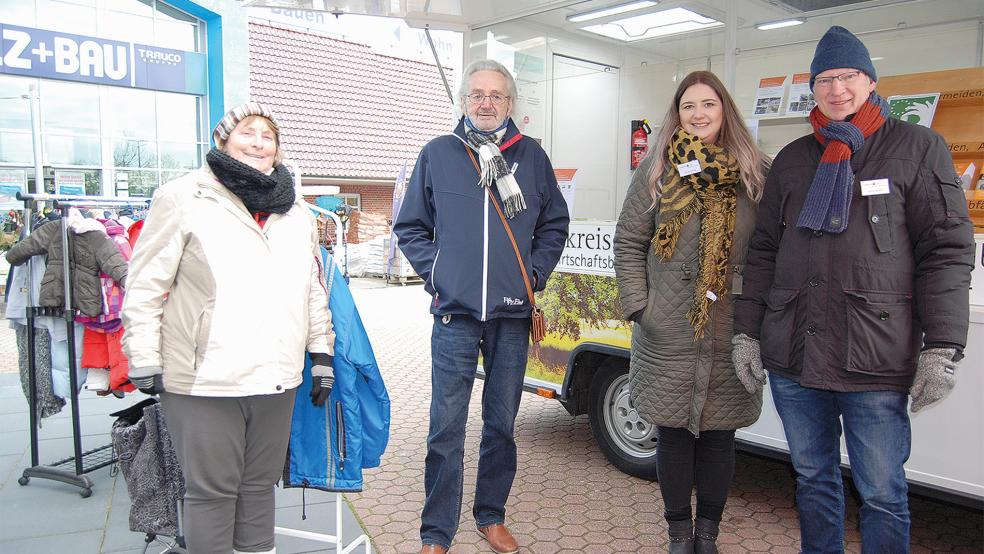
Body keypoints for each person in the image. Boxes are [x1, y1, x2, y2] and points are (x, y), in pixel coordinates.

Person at [733, 26, 975, 553]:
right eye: (825, 79)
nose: (837, 89)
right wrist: (747, 333)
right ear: (812, 88)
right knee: (813, 480)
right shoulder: (794, 159)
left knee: (883, 492)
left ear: (870, 80)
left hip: (876, 358)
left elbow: (948, 251)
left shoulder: (917, 148)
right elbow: (764, 253)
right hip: (796, 356)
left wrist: (942, 347)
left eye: (848, 76)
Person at [121, 102, 335, 554]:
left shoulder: (296, 212)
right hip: (203, 378)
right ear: (223, 140)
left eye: (268, 135)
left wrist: (322, 354)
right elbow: (143, 285)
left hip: (276, 375)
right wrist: (143, 357)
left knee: (259, 486)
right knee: (213, 492)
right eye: (247, 132)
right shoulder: (183, 198)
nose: (258, 141)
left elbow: (312, 288)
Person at [394, 59, 569, 554]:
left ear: (511, 103)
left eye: (496, 95)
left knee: (501, 422)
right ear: (465, 101)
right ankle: (436, 532)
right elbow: (410, 227)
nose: (486, 103)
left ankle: (490, 516)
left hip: (513, 315)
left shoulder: (531, 157)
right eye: (477, 95)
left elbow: (555, 223)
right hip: (455, 314)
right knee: (445, 426)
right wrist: (438, 274)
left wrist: (532, 275)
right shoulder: (439, 154)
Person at [613, 71, 767, 554]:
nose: (698, 114)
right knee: (674, 435)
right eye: (688, 106)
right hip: (668, 326)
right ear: (676, 114)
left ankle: (707, 537)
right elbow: (629, 242)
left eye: (708, 105)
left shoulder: (754, 171)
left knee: (720, 436)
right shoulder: (657, 169)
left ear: (725, 111)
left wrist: (758, 321)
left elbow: (769, 251)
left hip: (731, 326)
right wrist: (641, 306)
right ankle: (679, 534)